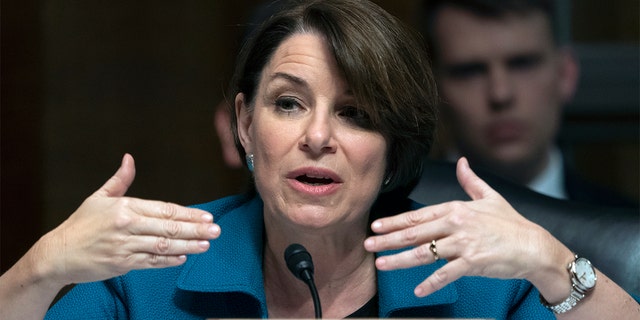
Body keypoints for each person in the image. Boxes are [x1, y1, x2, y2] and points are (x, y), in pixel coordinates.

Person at [1, 0, 638, 319]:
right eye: (288, 104)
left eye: (357, 114)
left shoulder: (481, 288)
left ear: (394, 149)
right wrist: (38, 270)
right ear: (245, 126)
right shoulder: (143, 280)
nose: (318, 137)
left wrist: (551, 262)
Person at [415, 0, 635, 206]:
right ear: (433, 88)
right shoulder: (391, 223)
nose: (501, 94)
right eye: (470, 71)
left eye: (522, 64)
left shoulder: (629, 229)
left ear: (565, 74)